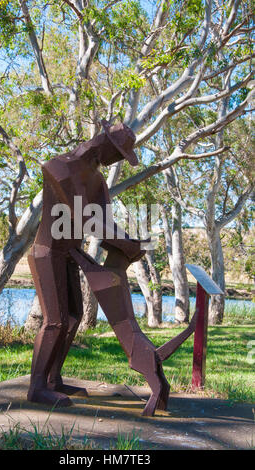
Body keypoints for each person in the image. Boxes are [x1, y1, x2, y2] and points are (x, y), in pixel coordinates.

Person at [27, 121, 196, 416]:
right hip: (47, 253)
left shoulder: (99, 182)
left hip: (69, 254)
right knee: (54, 321)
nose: (118, 159)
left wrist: (130, 242)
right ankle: (37, 386)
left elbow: (105, 223)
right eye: (118, 152)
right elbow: (84, 218)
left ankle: (53, 379)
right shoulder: (59, 166)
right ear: (103, 143)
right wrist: (124, 243)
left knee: (73, 317)